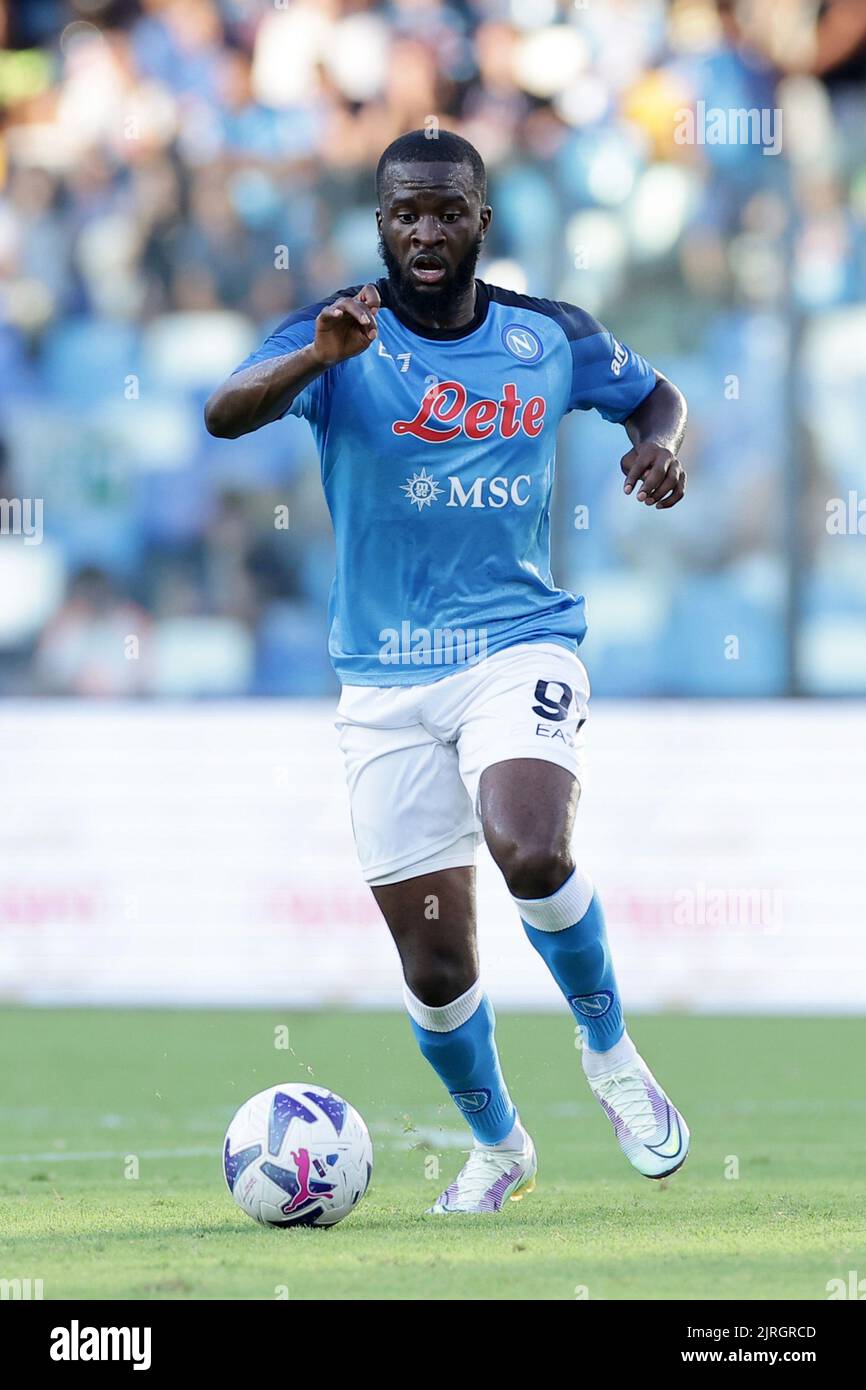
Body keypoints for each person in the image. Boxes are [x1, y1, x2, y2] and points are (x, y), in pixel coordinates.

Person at [205, 129, 690, 1214]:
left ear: (482, 218)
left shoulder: (546, 336)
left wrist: (659, 444)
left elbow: (655, 397)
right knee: (433, 968)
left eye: (446, 210)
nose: (424, 230)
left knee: (527, 843)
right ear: (379, 222)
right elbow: (224, 411)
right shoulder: (339, 332)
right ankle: (499, 1146)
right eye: (404, 213)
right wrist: (312, 363)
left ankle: (607, 1052)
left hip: (515, 643)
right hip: (381, 678)